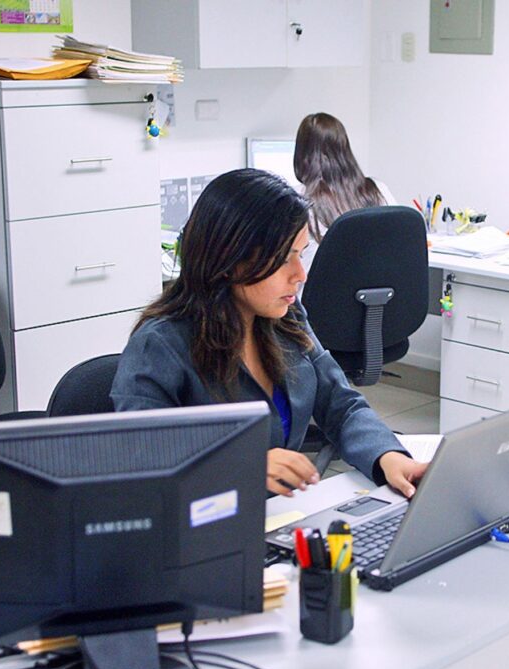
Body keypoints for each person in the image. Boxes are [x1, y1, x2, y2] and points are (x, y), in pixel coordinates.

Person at [111, 168, 427, 497]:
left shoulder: (286, 317)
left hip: (276, 518)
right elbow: (139, 453)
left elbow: (340, 405)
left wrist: (388, 457)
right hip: (201, 528)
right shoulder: (161, 343)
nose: (300, 275)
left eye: (300, 254)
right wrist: (242, 463)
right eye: (283, 259)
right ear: (229, 258)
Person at [293, 112, 397, 269]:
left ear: (302, 154)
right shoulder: (378, 190)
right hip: (373, 291)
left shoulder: (295, 199)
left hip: (316, 292)